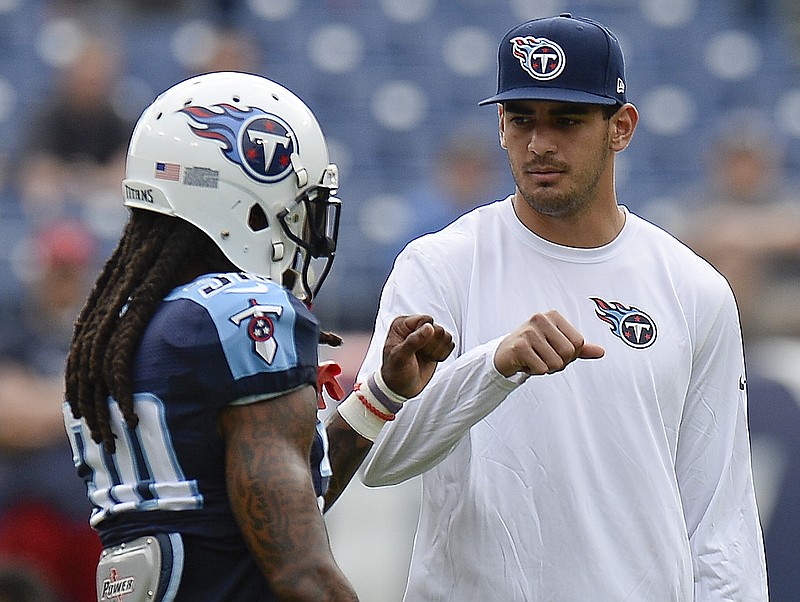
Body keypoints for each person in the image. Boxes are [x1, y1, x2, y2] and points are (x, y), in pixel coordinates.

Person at [354, 14, 768, 601]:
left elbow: (721, 519)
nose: (540, 143)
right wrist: (493, 366)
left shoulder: (692, 288)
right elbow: (381, 460)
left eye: (567, 121)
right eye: (522, 119)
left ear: (621, 127)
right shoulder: (439, 265)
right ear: (500, 125)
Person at [62, 71, 453, 601]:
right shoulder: (243, 312)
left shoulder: (120, 329)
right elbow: (300, 568)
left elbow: (278, 503)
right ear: (246, 201)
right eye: (301, 209)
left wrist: (380, 396)